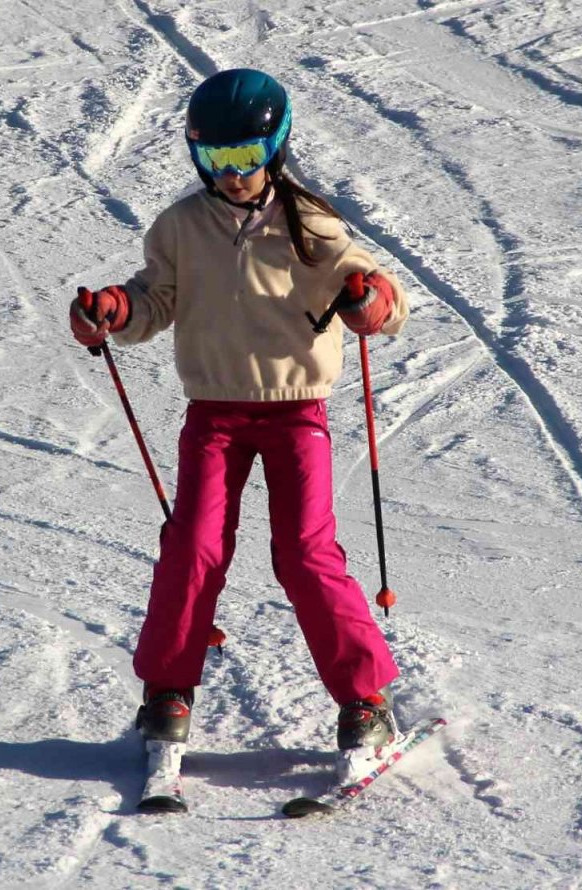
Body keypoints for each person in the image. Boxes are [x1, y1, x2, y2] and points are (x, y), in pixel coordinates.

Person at [69, 68, 409, 755]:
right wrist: (115, 311)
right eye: (218, 161)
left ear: (274, 149)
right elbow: (155, 299)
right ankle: (168, 690)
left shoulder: (311, 224)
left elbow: (380, 294)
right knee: (194, 544)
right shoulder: (180, 228)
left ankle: (366, 699)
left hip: (296, 413)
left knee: (305, 554)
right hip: (215, 416)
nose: (234, 175)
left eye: (247, 160)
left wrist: (370, 301)